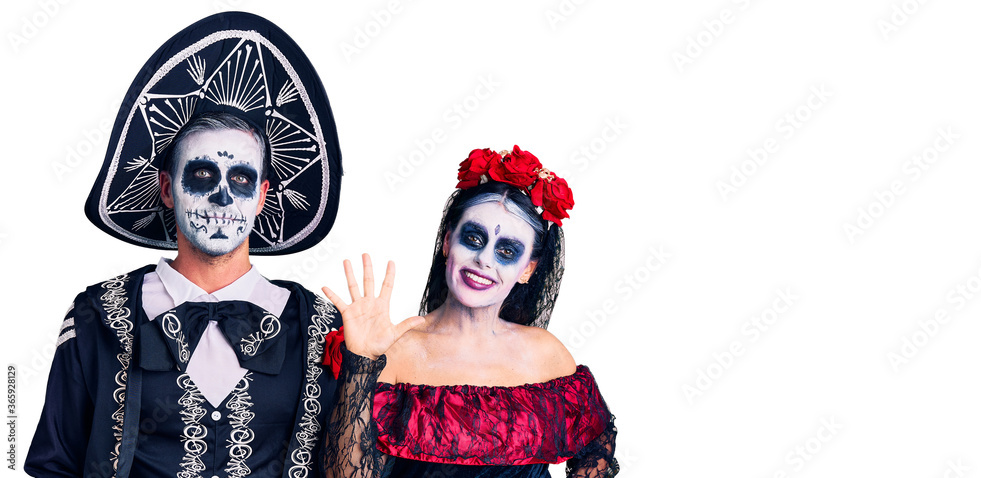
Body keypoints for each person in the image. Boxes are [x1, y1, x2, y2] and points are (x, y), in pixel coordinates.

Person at [26, 12, 344, 477]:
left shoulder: (319, 327)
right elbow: (54, 466)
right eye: (201, 175)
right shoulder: (95, 315)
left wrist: (368, 362)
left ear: (261, 197)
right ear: (167, 188)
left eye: (240, 179)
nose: (221, 196)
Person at [322, 147, 618, 477]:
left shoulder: (545, 354)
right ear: (448, 242)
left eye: (507, 250)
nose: (484, 260)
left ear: (528, 269)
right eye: (474, 238)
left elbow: (596, 447)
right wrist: (360, 361)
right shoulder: (394, 352)